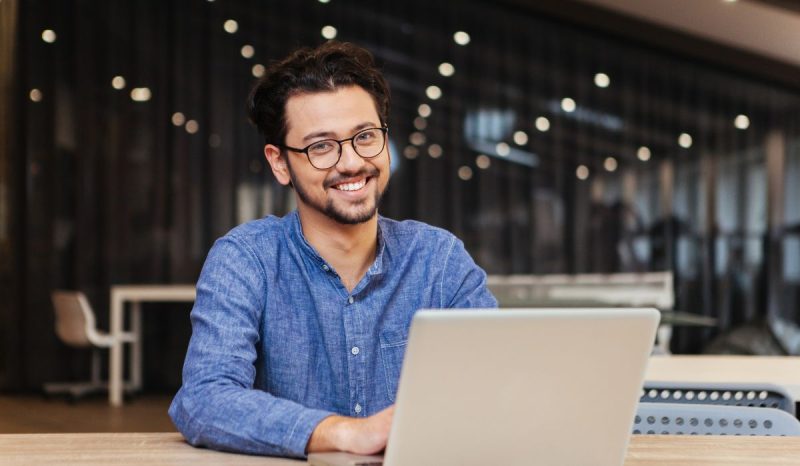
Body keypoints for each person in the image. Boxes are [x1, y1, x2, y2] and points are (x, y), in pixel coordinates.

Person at [168, 41, 497, 459]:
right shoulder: (246, 259)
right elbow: (203, 400)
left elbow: (496, 384)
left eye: (365, 136)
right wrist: (344, 433)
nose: (351, 162)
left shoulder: (438, 259)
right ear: (280, 163)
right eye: (321, 146)